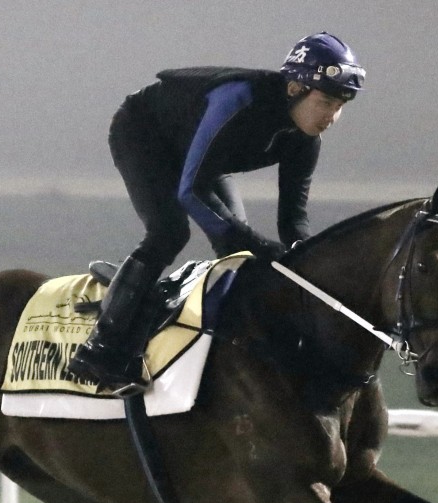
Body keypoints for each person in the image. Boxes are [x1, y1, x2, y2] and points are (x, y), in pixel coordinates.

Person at [66, 31, 366, 395]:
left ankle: (233, 352)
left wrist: (308, 263)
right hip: (144, 133)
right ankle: (101, 350)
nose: (331, 117)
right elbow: (191, 192)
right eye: (326, 102)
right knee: (169, 232)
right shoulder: (238, 101)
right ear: (294, 89)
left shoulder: (306, 141)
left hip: (200, 154)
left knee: (236, 255)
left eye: (341, 106)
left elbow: (293, 221)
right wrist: (255, 242)